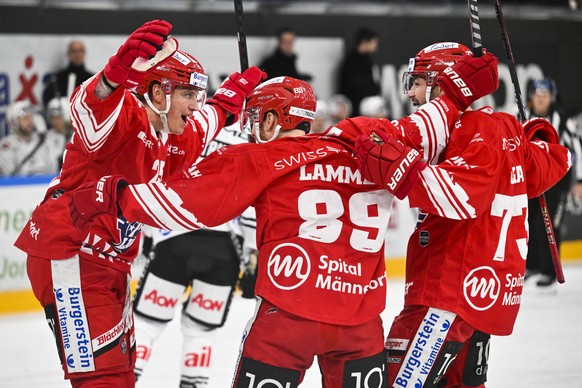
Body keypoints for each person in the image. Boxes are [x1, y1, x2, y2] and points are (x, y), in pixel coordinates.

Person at [68, 56, 497, 386]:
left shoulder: (260, 158)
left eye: (257, 120)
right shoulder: (369, 140)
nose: (253, 130)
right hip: (359, 323)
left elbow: (183, 205)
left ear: (273, 120)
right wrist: (458, 95)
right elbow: (426, 125)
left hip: (286, 320)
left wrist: (116, 197)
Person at [13, 19, 265, 387]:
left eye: (199, 95)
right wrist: (113, 75)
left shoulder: (171, 136)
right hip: (71, 256)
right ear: (160, 93)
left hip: (111, 267)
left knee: (124, 376)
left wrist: (231, 97)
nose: (196, 105)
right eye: (189, 95)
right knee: (104, 381)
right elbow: (89, 109)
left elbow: (207, 122)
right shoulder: (123, 118)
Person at [355, 46, 572, 387]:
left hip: (446, 300)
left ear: (443, 83)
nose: (410, 92)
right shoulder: (496, 128)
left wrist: (396, 167)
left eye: (417, 82)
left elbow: (460, 195)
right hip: (477, 299)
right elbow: (555, 161)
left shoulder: (476, 128)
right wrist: (537, 136)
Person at [132, 121, 256, 387]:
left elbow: (154, 179)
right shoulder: (247, 140)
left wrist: (147, 233)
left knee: (145, 325)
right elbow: (250, 206)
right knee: (202, 332)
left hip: (174, 241)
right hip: (224, 252)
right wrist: (253, 256)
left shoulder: (187, 129)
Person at [523, 77, 577, 290]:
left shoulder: (564, 120)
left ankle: (550, 271)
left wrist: (579, 180)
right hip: (530, 182)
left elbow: (578, 151)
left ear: (552, 98)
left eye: (545, 95)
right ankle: (533, 266)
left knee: (547, 226)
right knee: (527, 224)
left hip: (556, 183)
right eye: (538, 94)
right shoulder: (522, 116)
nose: (541, 99)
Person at [0, 100, 59, 176]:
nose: (29, 121)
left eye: (30, 117)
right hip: (20, 186)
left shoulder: (44, 140)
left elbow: (53, 169)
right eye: (25, 118)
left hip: (45, 185)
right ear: (14, 122)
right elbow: (8, 176)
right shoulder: (7, 145)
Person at [338, 28, 380, 116]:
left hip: (365, 106)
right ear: (364, 42)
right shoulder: (351, 62)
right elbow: (356, 87)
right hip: (355, 109)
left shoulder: (366, 60)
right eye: (374, 43)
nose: (375, 46)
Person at [42, 39, 94, 107]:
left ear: (84, 53)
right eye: (74, 51)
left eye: (80, 51)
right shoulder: (57, 79)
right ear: (68, 54)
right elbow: (48, 100)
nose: (77, 55)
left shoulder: (92, 79)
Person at [45, 96, 72, 170]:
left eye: (58, 117)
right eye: (52, 118)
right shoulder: (45, 138)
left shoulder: (76, 136)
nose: (55, 121)